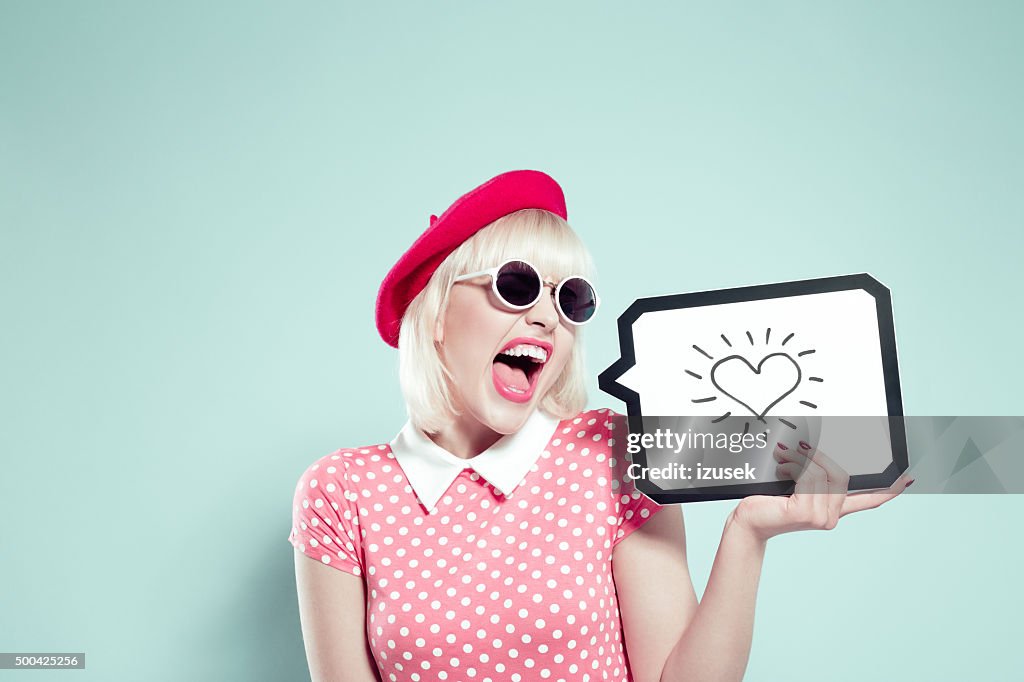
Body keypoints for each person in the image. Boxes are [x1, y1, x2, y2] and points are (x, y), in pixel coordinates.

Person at [288, 170, 912, 682]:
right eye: (516, 286)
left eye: (570, 299)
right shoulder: (342, 494)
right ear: (436, 315)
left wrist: (748, 535)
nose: (547, 319)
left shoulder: (610, 452)